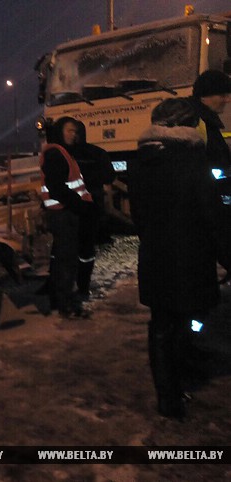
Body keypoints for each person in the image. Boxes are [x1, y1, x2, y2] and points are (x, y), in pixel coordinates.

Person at [128, 98, 231, 420]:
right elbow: (213, 216)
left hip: (157, 257)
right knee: (190, 318)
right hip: (191, 257)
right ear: (186, 126)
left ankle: (168, 398)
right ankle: (183, 373)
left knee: (161, 325)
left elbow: (139, 215)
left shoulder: (141, 161)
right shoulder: (192, 160)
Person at [39, 117, 95, 318]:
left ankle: (59, 300)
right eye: (69, 130)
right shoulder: (56, 153)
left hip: (64, 213)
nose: (74, 135)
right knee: (67, 261)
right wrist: (80, 205)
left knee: (63, 260)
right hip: (63, 214)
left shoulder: (61, 152)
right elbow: (56, 187)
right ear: (59, 131)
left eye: (75, 131)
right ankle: (67, 306)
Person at [68, 120, 117, 299]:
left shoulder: (63, 154)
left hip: (70, 210)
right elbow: (109, 177)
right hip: (90, 209)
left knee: (71, 248)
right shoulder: (97, 153)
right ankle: (83, 287)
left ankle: (70, 286)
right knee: (86, 250)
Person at [190, 69, 231, 171]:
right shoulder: (197, 122)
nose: (227, 100)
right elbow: (217, 160)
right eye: (222, 95)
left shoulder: (205, 118)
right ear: (204, 97)